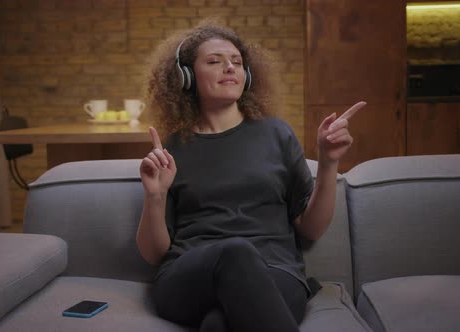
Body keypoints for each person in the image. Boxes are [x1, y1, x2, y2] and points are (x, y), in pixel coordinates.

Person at [136, 20, 365, 332]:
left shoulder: (277, 134)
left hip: (276, 272)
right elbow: (154, 254)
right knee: (235, 251)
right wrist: (155, 195)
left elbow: (310, 230)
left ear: (248, 75)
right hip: (189, 275)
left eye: (237, 62)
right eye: (215, 62)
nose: (229, 68)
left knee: (217, 325)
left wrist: (327, 162)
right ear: (186, 77)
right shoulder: (172, 149)